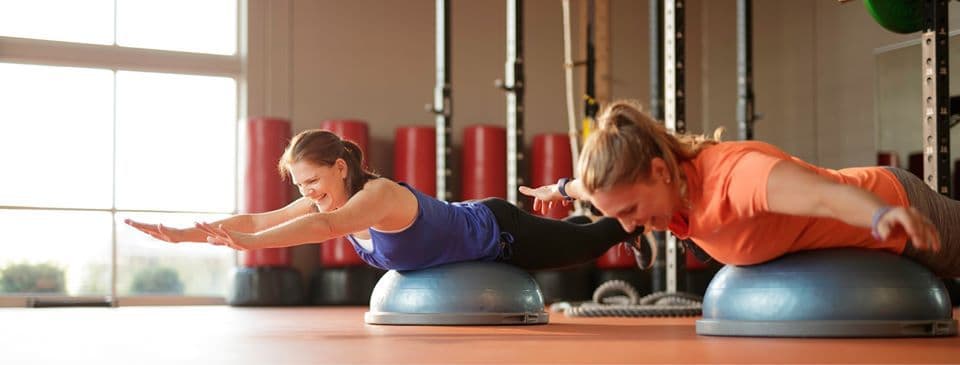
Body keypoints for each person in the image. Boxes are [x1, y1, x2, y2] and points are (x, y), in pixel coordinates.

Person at [526, 99, 958, 278]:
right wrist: (564, 188)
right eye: (617, 214)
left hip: (896, 209)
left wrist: (882, 215)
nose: (628, 224)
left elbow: (824, 196)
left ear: (660, 171)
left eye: (631, 209)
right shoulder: (654, 188)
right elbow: (599, 190)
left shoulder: (737, 179)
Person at [125, 128, 653, 272]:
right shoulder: (324, 202)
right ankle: (607, 218)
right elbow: (255, 216)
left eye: (311, 181)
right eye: (299, 187)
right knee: (586, 235)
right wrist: (185, 234)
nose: (306, 195)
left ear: (339, 167)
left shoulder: (373, 197)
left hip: (501, 231)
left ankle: (631, 224)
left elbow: (325, 231)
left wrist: (247, 242)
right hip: (476, 241)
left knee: (590, 244)